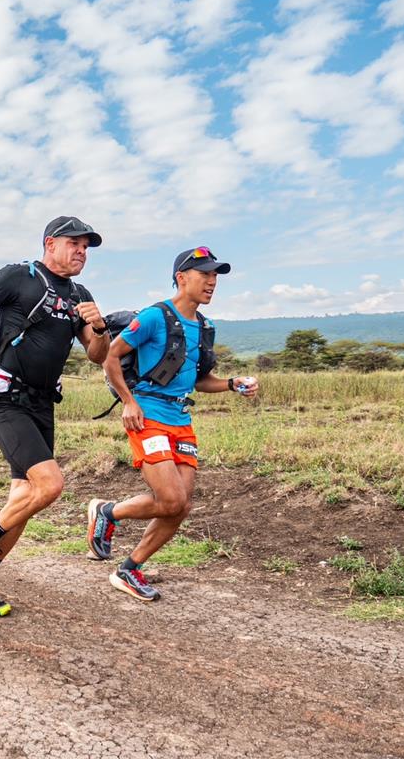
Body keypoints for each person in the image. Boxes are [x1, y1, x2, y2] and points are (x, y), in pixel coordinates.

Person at [0, 216, 110, 616]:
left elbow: (97, 355)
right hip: (6, 398)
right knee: (50, 485)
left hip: (42, 403)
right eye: (75, 243)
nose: (82, 252)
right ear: (50, 243)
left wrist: (99, 326)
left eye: (87, 247)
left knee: (25, 498)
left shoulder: (80, 294)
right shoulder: (17, 276)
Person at [89, 247, 259, 601]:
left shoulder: (205, 327)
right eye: (205, 275)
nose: (212, 282)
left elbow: (199, 380)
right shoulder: (154, 316)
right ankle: (108, 512)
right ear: (182, 278)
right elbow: (111, 358)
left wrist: (231, 384)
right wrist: (129, 401)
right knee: (170, 498)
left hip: (181, 419)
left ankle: (129, 568)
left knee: (181, 505)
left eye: (215, 276)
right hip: (146, 415)